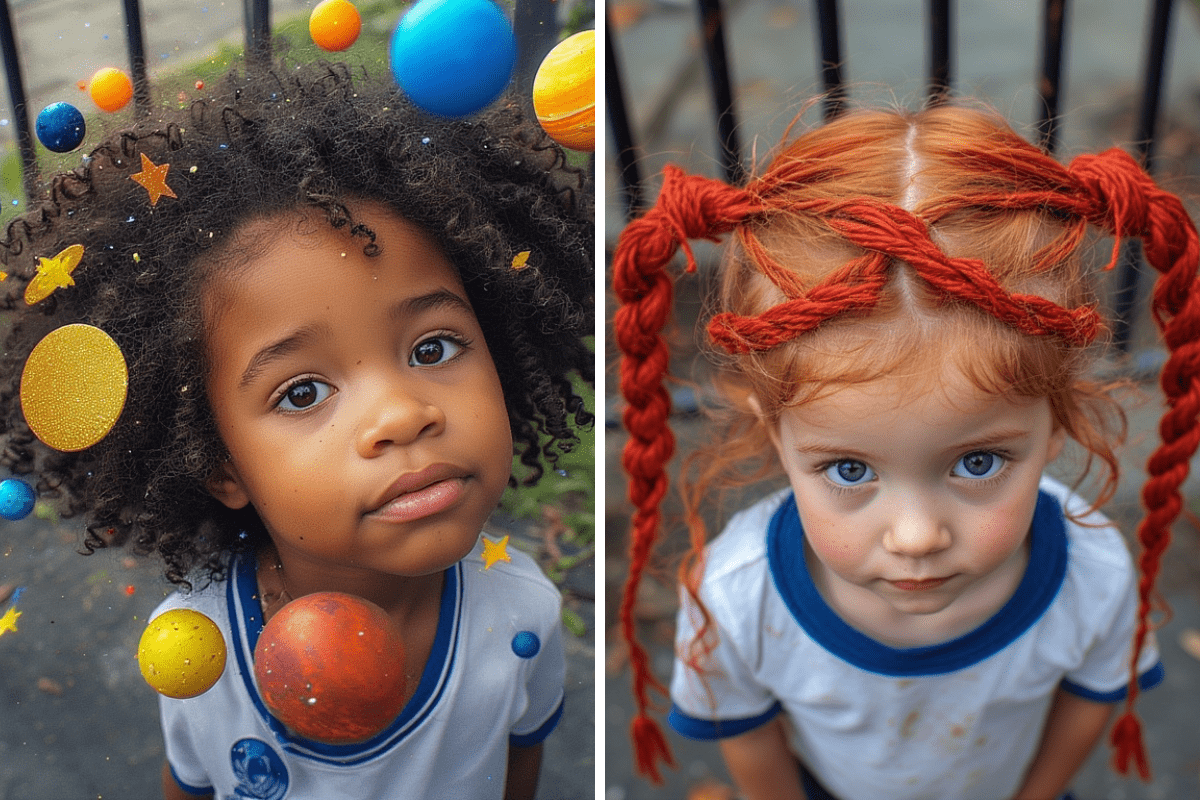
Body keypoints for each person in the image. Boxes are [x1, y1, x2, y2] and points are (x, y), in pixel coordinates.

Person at [0, 59, 593, 800]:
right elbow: (187, 782)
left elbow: (518, 766)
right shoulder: (192, 647)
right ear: (221, 466)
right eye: (303, 391)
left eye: (433, 348)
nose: (403, 414)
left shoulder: (521, 617)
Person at [612, 104, 1199, 800]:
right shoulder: (738, 599)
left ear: (1057, 417)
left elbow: (1091, 698)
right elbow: (748, 737)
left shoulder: (1090, 572)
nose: (917, 536)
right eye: (849, 469)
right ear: (774, 429)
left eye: (978, 462)